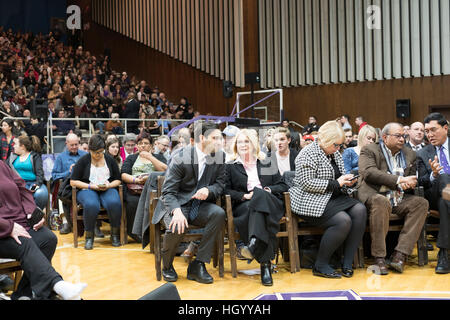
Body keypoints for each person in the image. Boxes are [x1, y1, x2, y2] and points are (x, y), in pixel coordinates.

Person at [289, 121, 367, 278]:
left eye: (340, 145)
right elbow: (306, 183)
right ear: (324, 140)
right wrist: (337, 183)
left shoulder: (334, 153)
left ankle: (347, 262)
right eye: (336, 145)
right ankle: (321, 264)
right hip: (310, 200)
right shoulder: (307, 153)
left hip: (332, 197)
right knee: (343, 221)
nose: (338, 149)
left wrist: (347, 181)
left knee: (360, 210)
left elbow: (339, 178)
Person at [0, 160, 87, 300]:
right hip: (3, 231)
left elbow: (22, 189)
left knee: (48, 238)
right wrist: (8, 227)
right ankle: (57, 285)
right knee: (24, 241)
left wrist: (32, 212)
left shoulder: (2, 165)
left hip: (19, 224)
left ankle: (23, 294)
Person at [152, 121, 226, 284]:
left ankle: (198, 264)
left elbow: (220, 184)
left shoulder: (219, 156)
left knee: (219, 214)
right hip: (177, 204)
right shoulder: (180, 157)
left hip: (200, 205)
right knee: (178, 224)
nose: (219, 142)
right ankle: (167, 265)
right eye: (215, 138)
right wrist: (176, 212)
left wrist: (209, 190)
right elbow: (168, 192)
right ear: (201, 138)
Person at [358, 122, 428, 274]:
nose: (402, 139)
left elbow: (411, 177)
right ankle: (379, 258)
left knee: (421, 203)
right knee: (381, 201)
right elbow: (369, 173)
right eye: (397, 136)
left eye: (403, 136)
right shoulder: (370, 150)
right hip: (375, 195)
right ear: (384, 137)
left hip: (398, 197)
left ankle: (399, 255)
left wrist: (408, 183)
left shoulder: (410, 154)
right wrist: (398, 180)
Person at [225, 129, 288, 286]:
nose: (243, 145)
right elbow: (225, 190)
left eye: (247, 141)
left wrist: (265, 191)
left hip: (270, 202)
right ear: (235, 145)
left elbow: (282, 185)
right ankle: (264, 263)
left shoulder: (266, 161)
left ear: (253, 144)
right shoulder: (230, 166)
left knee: (260, 195)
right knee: (256, 210)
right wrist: (244, 196)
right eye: (240, 142)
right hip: (245, 205)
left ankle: (253, 245)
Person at [70, 135, 123, 250]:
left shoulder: (109, 159)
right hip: (87, 188)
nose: (98, 155)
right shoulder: (83, 160)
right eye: (95, 152)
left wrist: (109, 185)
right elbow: (73, 182)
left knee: (114, 203)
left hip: (106, 188)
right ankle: (89, 237)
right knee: (91, 204)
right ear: (90, 150)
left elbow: (118, 179)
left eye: (100, 152)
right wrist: (90, 186)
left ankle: (114, 234)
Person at [417, 113, 450, 274]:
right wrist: (433, 175)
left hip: (445, 202)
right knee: (444, 177)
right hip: (434, 195)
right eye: (426, 131)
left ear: (445, 128)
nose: (429, 134)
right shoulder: (423, 153)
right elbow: (420, 181)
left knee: (446, 202)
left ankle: (443, 252)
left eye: (433, 130)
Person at [121, 132, 167, 242]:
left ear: (151, 145)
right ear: (137, 145)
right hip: (135, 190)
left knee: (157, 202)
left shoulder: (158, 157)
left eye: (146, 143)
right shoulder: (132, 158)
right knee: (132, 202)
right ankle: (134, 232)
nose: (142, 146)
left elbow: (165, 170)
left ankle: (153, 232)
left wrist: (150, 157)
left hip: (153, 190)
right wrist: (136, 180)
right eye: (140, 143)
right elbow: (123, 174)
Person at [51, 133, 88, 235]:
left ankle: (92, 224)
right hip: (68, 187)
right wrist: (69, 172)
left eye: (76, 144)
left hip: (84, 186)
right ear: (66, 144)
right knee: (63, 191)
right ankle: (67, 222)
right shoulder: (60, 158)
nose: (74, 147)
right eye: (72, 145)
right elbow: (54, 176)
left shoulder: (85, 155)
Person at [7, 135, 48, 211]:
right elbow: (4, 170)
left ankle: (34, 216)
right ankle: (20, 216)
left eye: (15, 144)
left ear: (22, 146)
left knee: (40, 194)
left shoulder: (34, 156)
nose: (13, 146)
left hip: (34, 183)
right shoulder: (12, 157)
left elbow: (40, 175)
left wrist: (34, 188)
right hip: (18, 184)